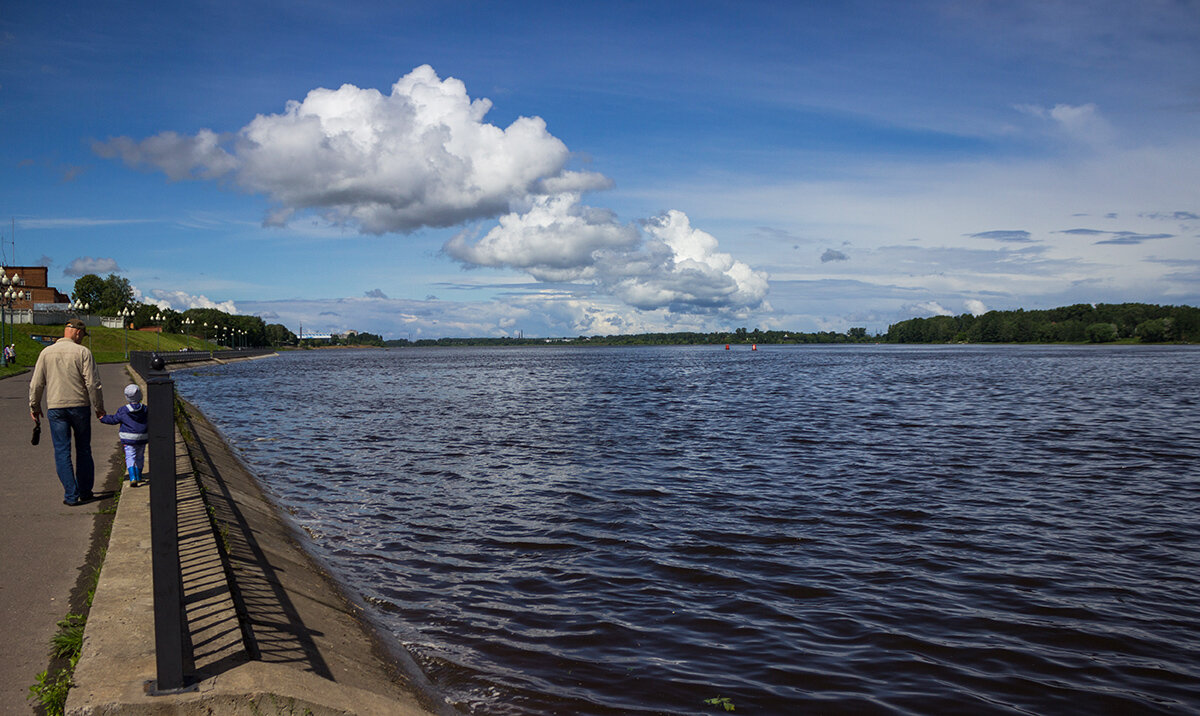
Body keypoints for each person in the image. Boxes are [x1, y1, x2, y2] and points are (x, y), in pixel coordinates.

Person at [29, 318, 106, 506]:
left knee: (62, 451)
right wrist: (99, 408)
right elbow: (92, 384)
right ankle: (85, 492)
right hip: (80, 406)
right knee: (84, 449)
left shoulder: (46, 352)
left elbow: (37, 383)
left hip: (55, 407)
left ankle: (71, 496)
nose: (82, 339)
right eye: (82, 336)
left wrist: (34, 406)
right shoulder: (83, 352)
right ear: (77, 333)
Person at [100, 384, 148, 486]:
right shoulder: (145, 409)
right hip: (142, 437)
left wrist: (103, 418)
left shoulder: (123, 410)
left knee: (130, 456)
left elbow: (114, 419)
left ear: (127, 397)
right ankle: (139, 475)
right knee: (140, 456)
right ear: (140, 396)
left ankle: (132, 477)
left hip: (128, 438)